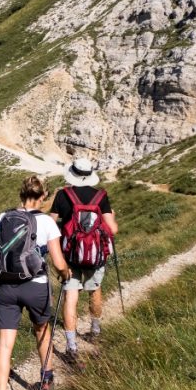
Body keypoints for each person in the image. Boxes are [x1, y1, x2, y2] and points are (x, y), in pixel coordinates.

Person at [0, 175, 70, 390]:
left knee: (5, 343)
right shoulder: (47, 223)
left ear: (21, 194)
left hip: (6, 287)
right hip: (35, 286)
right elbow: (57, 260)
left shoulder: (4, 217)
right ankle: (46, 380)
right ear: (43, 196)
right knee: (42, 330)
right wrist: (66, 274)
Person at [50, 157, 119, 367]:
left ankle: (71, 347)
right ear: (90, 175)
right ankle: (95, 330)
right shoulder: (101, 196)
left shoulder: (63, 195)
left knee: (71, 297)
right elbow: (113, 229)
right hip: (96, 256)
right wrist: (112, 217)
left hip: (70, 256)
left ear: (72, 173)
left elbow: (50, 224)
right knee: (95, 289)